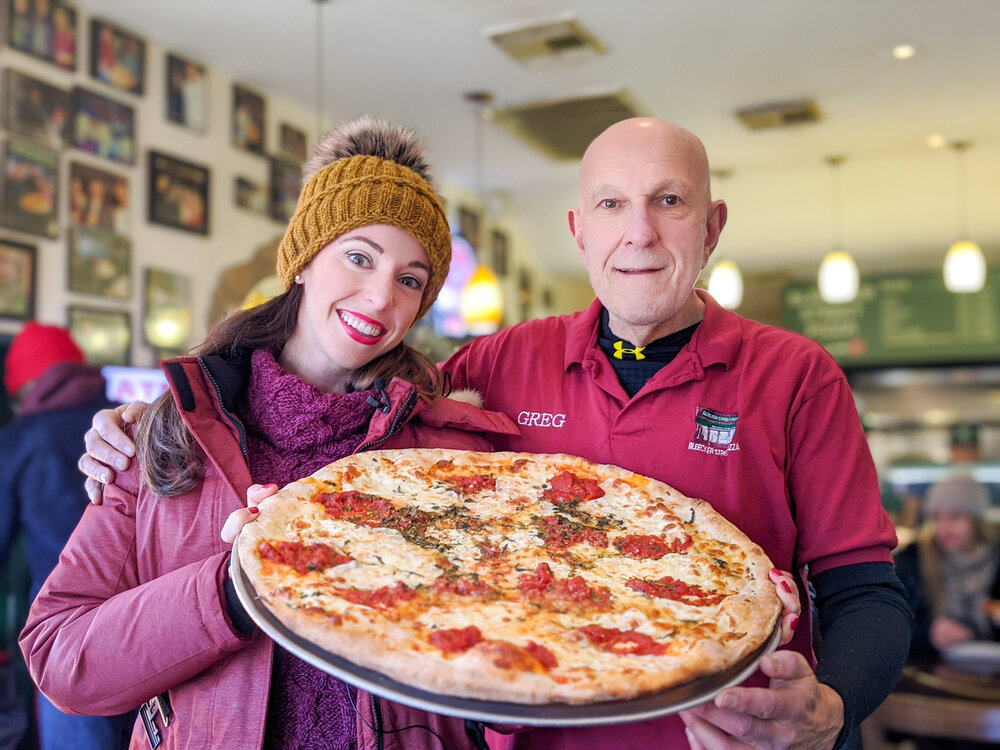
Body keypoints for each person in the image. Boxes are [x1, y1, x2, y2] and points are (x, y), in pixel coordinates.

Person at [78, 117, 906, 750]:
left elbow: (868, 593)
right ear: (580, 230)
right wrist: (140, 425)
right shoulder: (501, 363)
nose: (640, 232)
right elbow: (370, 389)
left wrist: (829, 708)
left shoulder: (796, 375)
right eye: (612, 204)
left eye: (670, 201)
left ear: (711, 225)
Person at [20, 116, 523, 750]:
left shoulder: (449, 456)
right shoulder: (163, 433)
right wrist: (235, 588)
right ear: (305, 260)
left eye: (409, 279)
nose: (379, 297)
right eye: (359, 257)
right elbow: (59, 654)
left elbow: (505, 673)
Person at [0, 322, 134, 749]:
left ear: (26, 386)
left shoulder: (21, 439)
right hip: (141, 613)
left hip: (66, 626)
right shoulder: (123, 419)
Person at [895, 475, 1000, 657]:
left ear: (977, 519)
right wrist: (927, 634)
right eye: (937, 517)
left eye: (955, 516)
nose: (944, 527)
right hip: (934, 671)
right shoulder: (914, 558)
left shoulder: (995, 557)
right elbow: (892, 624)